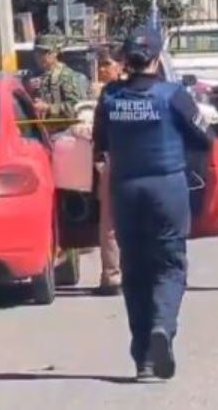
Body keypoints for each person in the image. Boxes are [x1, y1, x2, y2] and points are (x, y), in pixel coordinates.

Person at [93, 28, 211, 381]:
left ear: (126, 61)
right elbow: (205, 136)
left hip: (126, 189)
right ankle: (162, 327)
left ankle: (144, 357)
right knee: (170, 265)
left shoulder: (111, 97)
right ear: (157, 59)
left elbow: (100, 143)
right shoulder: (173, 95)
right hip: (166, 188)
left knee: (135, 271)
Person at [91, 45, 125, 296]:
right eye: (101, 64)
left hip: (130, 161)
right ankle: (112, 275)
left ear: (121, 65)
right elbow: (99, 129)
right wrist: (99, 157)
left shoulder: (116, 93)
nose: (102, 69)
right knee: (111, 224)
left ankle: (122, 274)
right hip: (115, 161)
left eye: (106, 64)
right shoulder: (108, 93)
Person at [25, 35, 87, 125]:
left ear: (55, 53)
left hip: (61, 131)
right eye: (37, 52)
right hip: (36, 131)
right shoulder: (31, 75)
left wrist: (48, 108)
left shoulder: (66, 76)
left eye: (45, 53)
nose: (39, 56)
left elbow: (77, 107)